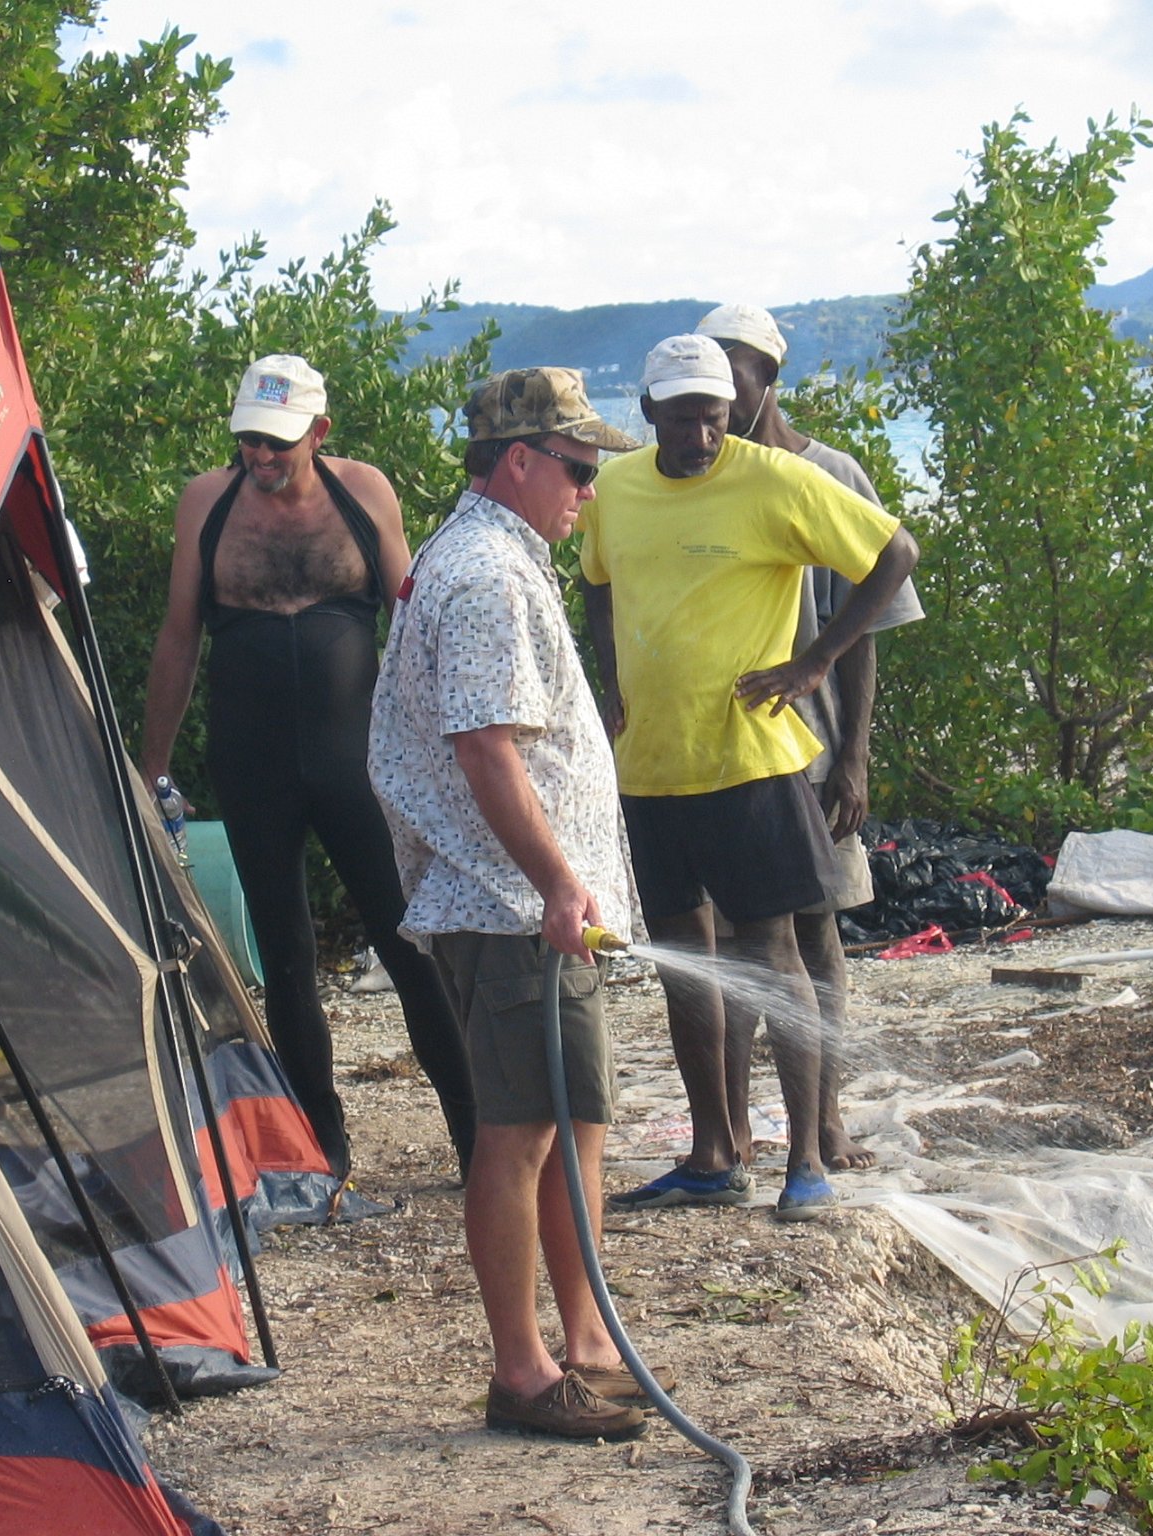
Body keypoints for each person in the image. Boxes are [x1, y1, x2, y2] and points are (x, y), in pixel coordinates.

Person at [579, 334, 918, 1220]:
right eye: (682, 417)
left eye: (714, 416)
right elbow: (598, 583)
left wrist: (814, 664)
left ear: (734, 411)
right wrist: (609, 681)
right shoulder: (614, 488)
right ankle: (712, 1153)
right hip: (650, 769)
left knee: (773, 955)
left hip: (752, 765)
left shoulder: (772, 478)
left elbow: (895, 556)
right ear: (646, 412)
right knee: (687, 964)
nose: (699, 434)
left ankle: (805, 1163)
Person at [368, 367, 646, 1441]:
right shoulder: (483, 571)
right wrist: (554, 881)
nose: (588, 489)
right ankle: (522, 1373)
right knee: (519, 1129)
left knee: (575, 1119)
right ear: (518, 460)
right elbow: (483, 750)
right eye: (577, 468)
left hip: (529, 905)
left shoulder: (498, 556)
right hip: (504, 906)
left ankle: (584, 1343)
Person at [141, 353, 477, 1187]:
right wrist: (150, 770)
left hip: (356, 759)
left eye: (278, 443)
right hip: (251, 757)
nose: (261, 457)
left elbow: (417, 624)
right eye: (249, 440)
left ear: (319, 433)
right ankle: (322, 1147)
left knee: (409, 942)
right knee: (285, 957)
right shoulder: (206, 505)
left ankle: (478, 1134)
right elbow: (180, 637)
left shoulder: (363, 493)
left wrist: (454, 752)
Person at [695, 302, 925, 1172]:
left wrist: (855, 756)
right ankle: (731, 1126)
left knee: (815, 928)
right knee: (723, 937)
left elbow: (864, 622)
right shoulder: (691, 476)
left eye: (736, 373)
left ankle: (821, 1118)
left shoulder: (825, 473)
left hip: (811, 745)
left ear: (768, 381)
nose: (721, 391)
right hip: (714, 750)